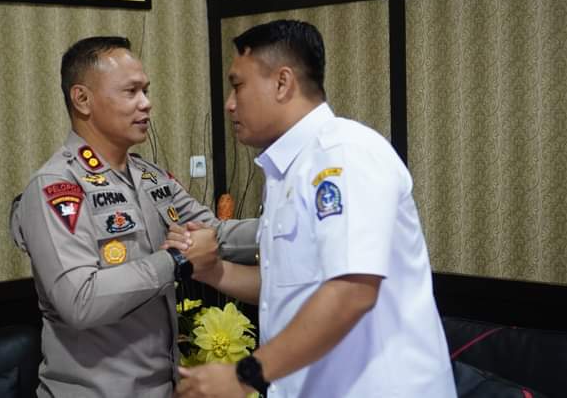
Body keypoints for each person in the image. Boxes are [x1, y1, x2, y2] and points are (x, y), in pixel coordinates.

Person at [173, 20, 457, 397]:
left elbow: (352, 290)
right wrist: (215, 272)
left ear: (282, 82)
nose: (229, 103)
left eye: (238, 85)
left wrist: (244, 375)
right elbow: (289, 288)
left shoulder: (342, 155)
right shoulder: (286, 171)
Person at [9, 36, 257, 398]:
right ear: (82, 99)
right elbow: (80, 299)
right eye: (131, 92)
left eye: (146, 90)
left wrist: (298, 225)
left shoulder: (150, 176)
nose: (146, 103)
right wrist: (175, 261)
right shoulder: (57, 186)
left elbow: (215, 233)